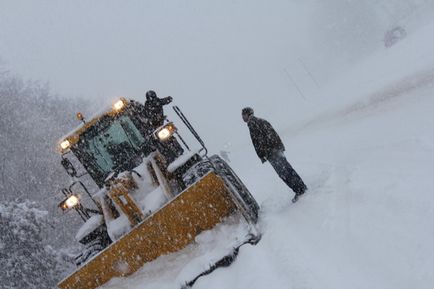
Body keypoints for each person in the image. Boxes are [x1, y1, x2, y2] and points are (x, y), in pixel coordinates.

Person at [242, 107, 307, 203]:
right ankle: (301, 187)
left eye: (243, 115)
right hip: (276, 149)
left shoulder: (252, 124)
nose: (242, 117)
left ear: (247, 114)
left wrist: (264, 154)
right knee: (288, 169)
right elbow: (273, 134)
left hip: (271, 153)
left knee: (283, 173)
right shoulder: (261, 120)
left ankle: (299, 190)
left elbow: (258, 141)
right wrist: (279, 147)